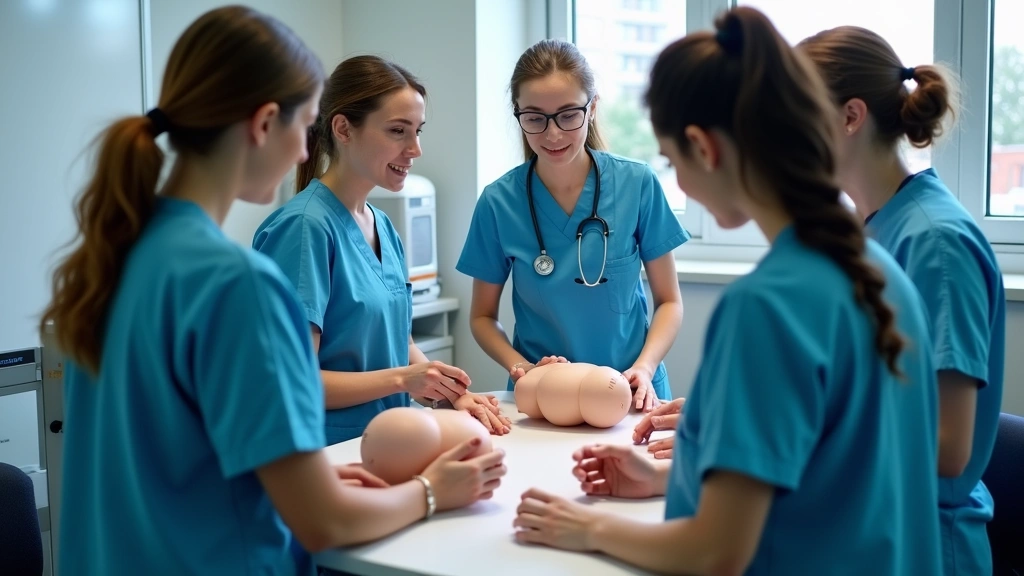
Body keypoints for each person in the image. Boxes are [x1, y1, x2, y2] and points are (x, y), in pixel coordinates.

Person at [41, 8, 505, 574]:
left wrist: (306, 478)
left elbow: (174, 451)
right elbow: (323, 523)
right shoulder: (239, 284)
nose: (304, 154)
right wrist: (434, 490)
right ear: (264, 124)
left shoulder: (117, 257)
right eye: (303, 127)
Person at [512, 8, 942, 575]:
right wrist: (676, 475)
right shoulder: (876, 269)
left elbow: (717, 553)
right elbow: (832, 470)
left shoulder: (767, 306)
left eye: (672, 160)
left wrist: (587, 527)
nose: (679, 182)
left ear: (703, 147)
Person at [799, 27, 1006, 575]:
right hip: (869, 522)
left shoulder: (935, 244)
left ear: (849, 117)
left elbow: (948, 448)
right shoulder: (870, 229)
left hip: (925, 545)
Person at [253, 55, 511, 445]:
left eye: (418, 131)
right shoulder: (304, 228)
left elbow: (401, 345)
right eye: (398, 131)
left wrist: (451, 394)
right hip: (323, 455)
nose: (415, 149)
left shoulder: (383, 226)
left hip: (386, 444)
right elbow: (293, 379)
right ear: (343, 128)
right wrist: (405, 380)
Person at [457, 39, 689, 411]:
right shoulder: (498, 202)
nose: (552, 134)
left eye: (568, 115)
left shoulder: (637, 184)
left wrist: (644, 368)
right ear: (517, 113)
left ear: (592, 107)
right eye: (534, 117)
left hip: (631, 389)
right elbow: (482, 316)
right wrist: (523, 368)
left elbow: (670, 301)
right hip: (543, 395)